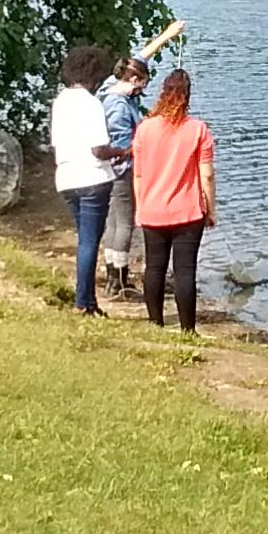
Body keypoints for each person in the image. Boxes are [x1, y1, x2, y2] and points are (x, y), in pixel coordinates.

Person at [130, 68, 216, 333]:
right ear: (187, 97)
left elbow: (139, 174)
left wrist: (139, 207)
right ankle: (188, 330)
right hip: (188, 214)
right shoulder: (198, 130)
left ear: (162, 93)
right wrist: (211, 210)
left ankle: (155, 323)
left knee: (154, 267)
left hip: (152, 210)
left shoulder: (144, 129)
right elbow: (207, 176)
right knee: (184, 271)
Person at [48, 44, 118, 315]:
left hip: (66, 177)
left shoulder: (61, 100)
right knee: (89, 242)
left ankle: (89, 302)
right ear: (95, 74)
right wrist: (124, 151)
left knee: (84, 239)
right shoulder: (91, 103)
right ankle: (82, 302)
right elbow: (99, 149)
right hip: (92, 177)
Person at [96, 54, 151, 301]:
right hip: (121, 171)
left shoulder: (108, 87)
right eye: (143, 83)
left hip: (106, 171)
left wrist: (168, 36)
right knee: (124, 223)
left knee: (112, 222)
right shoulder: (118, 106)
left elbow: (138, 57)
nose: (143, 89)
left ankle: (112, 276)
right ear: (133, 79)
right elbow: (120, 146)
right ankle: (119, 279)